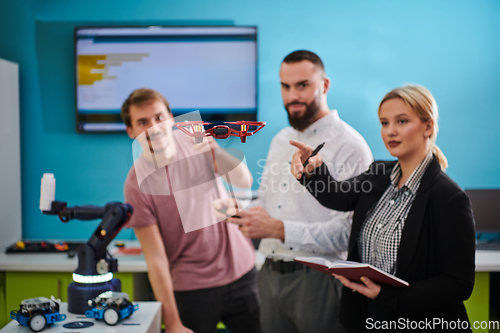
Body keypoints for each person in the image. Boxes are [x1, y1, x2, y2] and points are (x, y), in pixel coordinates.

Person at [290, 85, 476, 332]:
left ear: (428, 126)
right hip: (366, 318)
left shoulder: (449, 197)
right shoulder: (378, 173)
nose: (391, 131)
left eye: (401, 121)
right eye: (384, 123)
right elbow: (339, 198)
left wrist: (386, 296)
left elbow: (458, 284)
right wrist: (313, 171)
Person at [214, 50, 373, 333]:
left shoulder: (351, 146)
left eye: (303, 85)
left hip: (320, 282)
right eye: (285, 87)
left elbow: (351, 232)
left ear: (324, 85)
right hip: (269, 277)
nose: (292, 96)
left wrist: (280, 229)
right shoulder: (280, 140)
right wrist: (241, 213)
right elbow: (265, 202)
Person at [121, 88, 261, 333]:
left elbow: (244, 180)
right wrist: (173, 323)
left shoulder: (195, 139)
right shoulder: (136, 185)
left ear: (171, 118)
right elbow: (156, 259)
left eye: (159, 117)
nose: (154, 128)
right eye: (142, 122)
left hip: (241, 272)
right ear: (131, 131)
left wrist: (216, 152)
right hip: (192, 287)